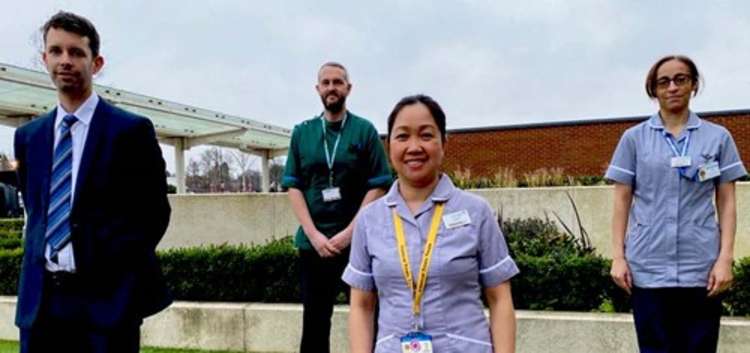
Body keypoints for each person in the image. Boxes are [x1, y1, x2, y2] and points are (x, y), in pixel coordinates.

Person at [14, 11, 172, 353]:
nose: (65, 60)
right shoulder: (29, 137)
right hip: (41, 305)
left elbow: (154, 216)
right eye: (56, 51)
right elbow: (37, 210)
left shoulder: (131, 132)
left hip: (106, 305)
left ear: (96, 62)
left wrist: (115, 275)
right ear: (44, 59)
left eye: (76, 52)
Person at [344, 94, 519, 353]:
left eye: (426, 135)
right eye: (402, 136)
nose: (414, 146)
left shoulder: (476, 212)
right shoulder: (369, 220)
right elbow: (361, 306)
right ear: (389, 145)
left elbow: (500, 298)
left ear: (444, 143)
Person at [606, 55, 745, 353]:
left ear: (693, 85)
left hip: (702, 268)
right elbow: (621, 201)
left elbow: (727, 201)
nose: (672, 87)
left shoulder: (718, 138)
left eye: (681, 79)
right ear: (653, 90)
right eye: (664, 82)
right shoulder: (634, 139)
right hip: (648, 267)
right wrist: (618, 257)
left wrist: (725, 259)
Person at [281, 62, 392, 353]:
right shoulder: (301, 132)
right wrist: (315, 236)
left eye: (338, 82)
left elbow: (379, 185)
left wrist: (348, 234)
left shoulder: (364, 131)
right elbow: (293, 186)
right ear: (318, 89)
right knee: (315, 321)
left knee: (369, 315)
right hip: (313, 246)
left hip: (358, 245)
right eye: (326, 82)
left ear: (348, 88)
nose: (332, 87)